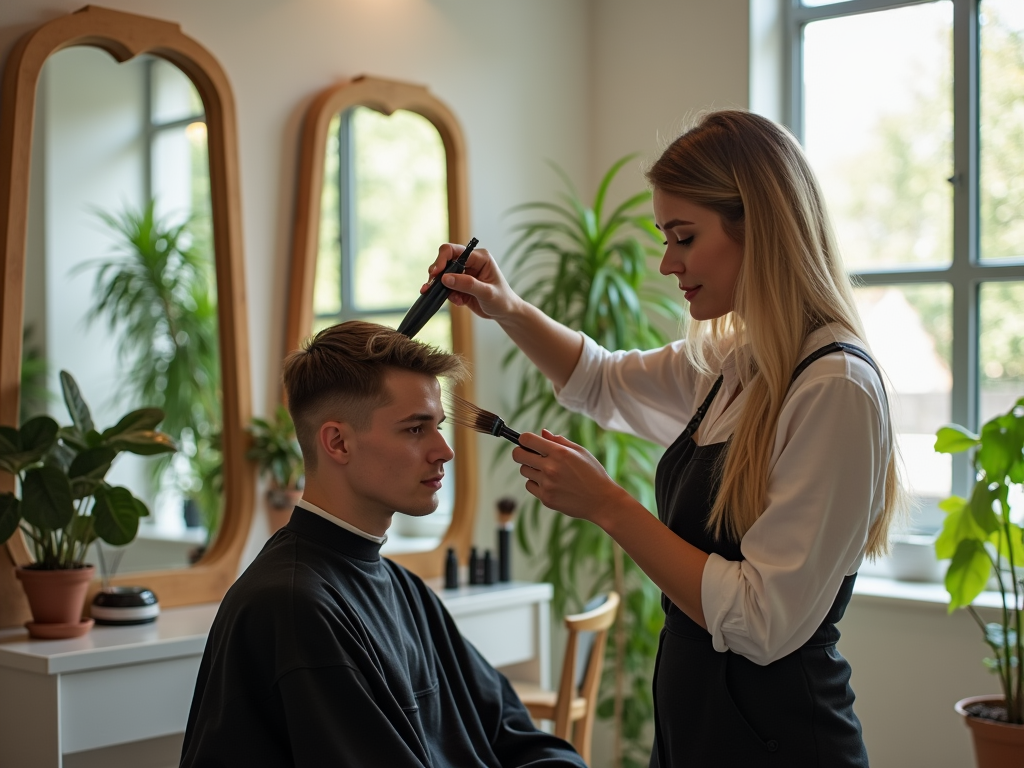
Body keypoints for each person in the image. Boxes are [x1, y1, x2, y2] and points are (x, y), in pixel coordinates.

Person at [425, 110, 903, 767]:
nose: (666, 262)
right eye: (664, 237)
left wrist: (608, 507)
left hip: (781, 745)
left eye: (683, 237)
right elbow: (599, 380)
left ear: (758, 227)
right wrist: (506, 306)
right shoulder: (735, 362)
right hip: (694, 735)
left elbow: (762, 624)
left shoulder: (834, 387)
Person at [180, 321, 586, 768]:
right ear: (337, 442)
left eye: (439, 426)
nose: (444, 450)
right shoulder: (292, 607)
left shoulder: (401, 587)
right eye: (415, 429)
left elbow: (509, 729)